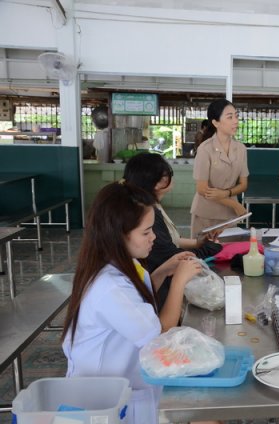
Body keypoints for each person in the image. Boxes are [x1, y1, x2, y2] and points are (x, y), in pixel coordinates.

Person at [61, 182, 203, 424]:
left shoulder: (120, 263)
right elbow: (159, 333)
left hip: (121, 383)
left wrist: (163, 271)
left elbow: (138, 302)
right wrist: (179, 282)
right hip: (103, 399)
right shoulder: (109, 286)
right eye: (146, 232)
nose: (154, 237)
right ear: (118, 235)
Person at [124, 152, 222, 310]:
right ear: (157, 183)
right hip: (160, 292)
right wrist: (208, 249)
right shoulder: (148, 213)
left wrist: (198, 243)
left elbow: (169, 239)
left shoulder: (151, 206)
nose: (153, 237)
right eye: (167, 175)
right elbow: (170, 255)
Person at [190, 99, 249, 237]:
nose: (235, 121)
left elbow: (243, 184)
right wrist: (234, 204)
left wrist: (226, 193)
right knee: (204, 255)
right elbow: (202, 189)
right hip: (206, 215)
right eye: (230, 117)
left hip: (230, 216)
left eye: (236, 116)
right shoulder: (205, 149)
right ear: (215, 122)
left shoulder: (241, 149)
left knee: (228, 255)